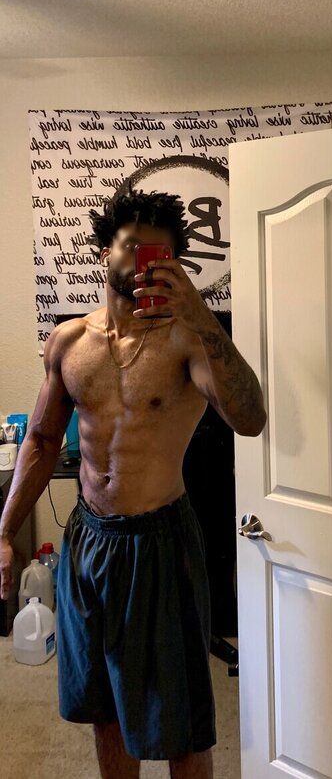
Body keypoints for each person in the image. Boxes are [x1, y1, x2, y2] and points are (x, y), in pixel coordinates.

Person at [0, 184, 266, 779]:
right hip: (89, 542)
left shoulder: (189, 342)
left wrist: (200, 314)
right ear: (105, 252)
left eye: (158, 255)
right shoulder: (69, 342)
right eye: (131, 247)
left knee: (180, 722)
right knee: (104, 706)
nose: (143, 263)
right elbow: (40, 442)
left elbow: (250, 419)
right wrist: (5, 531)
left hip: (160, 544)